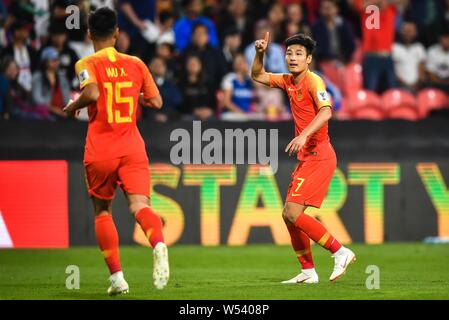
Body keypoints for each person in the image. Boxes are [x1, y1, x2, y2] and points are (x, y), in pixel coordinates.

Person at [63, 7, 169, 295]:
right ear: (117, 33)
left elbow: (93, 93)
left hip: (101, 149)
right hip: (133, 147)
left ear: (89, 34)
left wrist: (72, 106)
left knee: (102, 212)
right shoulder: (136, 62)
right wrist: (140, 98)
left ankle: (117, 279)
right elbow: (156, 102)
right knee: (140, 206)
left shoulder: (86, 62)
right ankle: (158, 243)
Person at [251, 32, 355, 284]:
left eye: (299, 54)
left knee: (293, 213)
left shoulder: (313, 81)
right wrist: (260, 53)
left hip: (319, 155)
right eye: (289, 53)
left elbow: (327, 111)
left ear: (308, 59)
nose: (293, 58)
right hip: (307, 157)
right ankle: (308, 272)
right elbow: (257, 75)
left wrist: (303, 136)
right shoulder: (287, 81)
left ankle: (340, 251)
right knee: (288, 215)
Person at [32, 47, 71, 119]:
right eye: (53, 59)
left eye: (57, 59)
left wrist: (68, 110)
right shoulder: (37, 77)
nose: (56, 61)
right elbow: (37, 99)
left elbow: (67, 99)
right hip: (45, 116)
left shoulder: (62, 78)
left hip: (63, 114)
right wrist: (54, 110)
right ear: (45, 62)